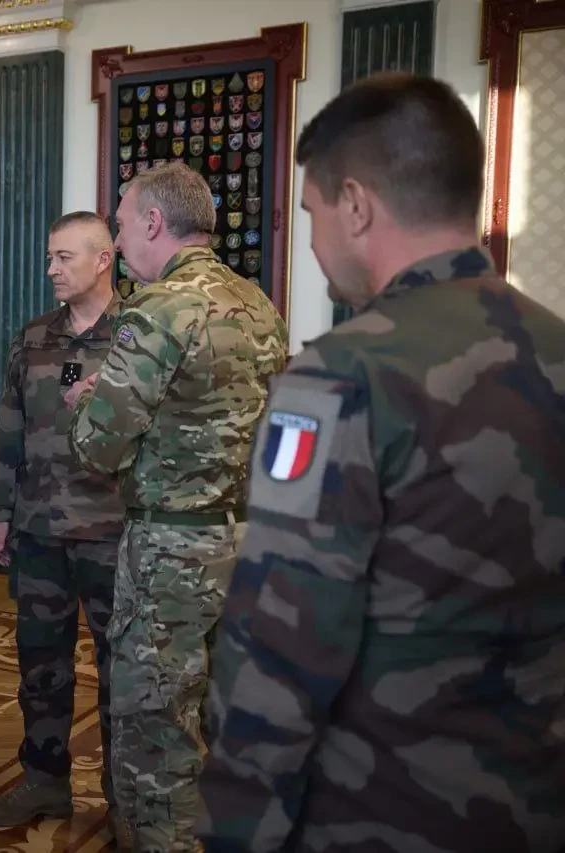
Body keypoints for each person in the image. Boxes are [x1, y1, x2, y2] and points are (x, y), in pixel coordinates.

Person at [198, 72, 565, 853]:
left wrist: (235, 823)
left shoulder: (342, 374)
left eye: (311, 213)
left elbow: (283, 638)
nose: (312, 241)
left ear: (356, 205)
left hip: (384, 809)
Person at [67, 161, 289, 850]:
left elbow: (99, 448)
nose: (119, 240)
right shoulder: (258, 304)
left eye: (122, 224)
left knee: (157, 729)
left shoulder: (157, 309)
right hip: (245, 543)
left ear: (155, 222)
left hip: (170, 551)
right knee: (224, 714)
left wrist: (88, 402)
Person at [0, 212, 128, 842]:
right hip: (39, 531)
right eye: (49, 258)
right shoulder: (34, 337)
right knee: (40, 666)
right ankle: (44, 779)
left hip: (115, 533)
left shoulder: (140, 335)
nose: (52, 270)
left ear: (103, 259)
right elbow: (9, 425)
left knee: (123, 674)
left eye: (64, 258)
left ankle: (127, 800)